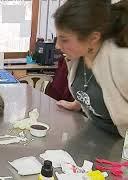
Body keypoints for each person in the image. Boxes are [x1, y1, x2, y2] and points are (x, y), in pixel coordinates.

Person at [54, 0, 128, 137]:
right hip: (94, 133)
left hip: (120, 143)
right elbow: (91, 88)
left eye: (64, 40)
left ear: (93, 38)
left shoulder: (121, 60)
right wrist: (78, 103)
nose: (58, 46)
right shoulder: (79, 55)